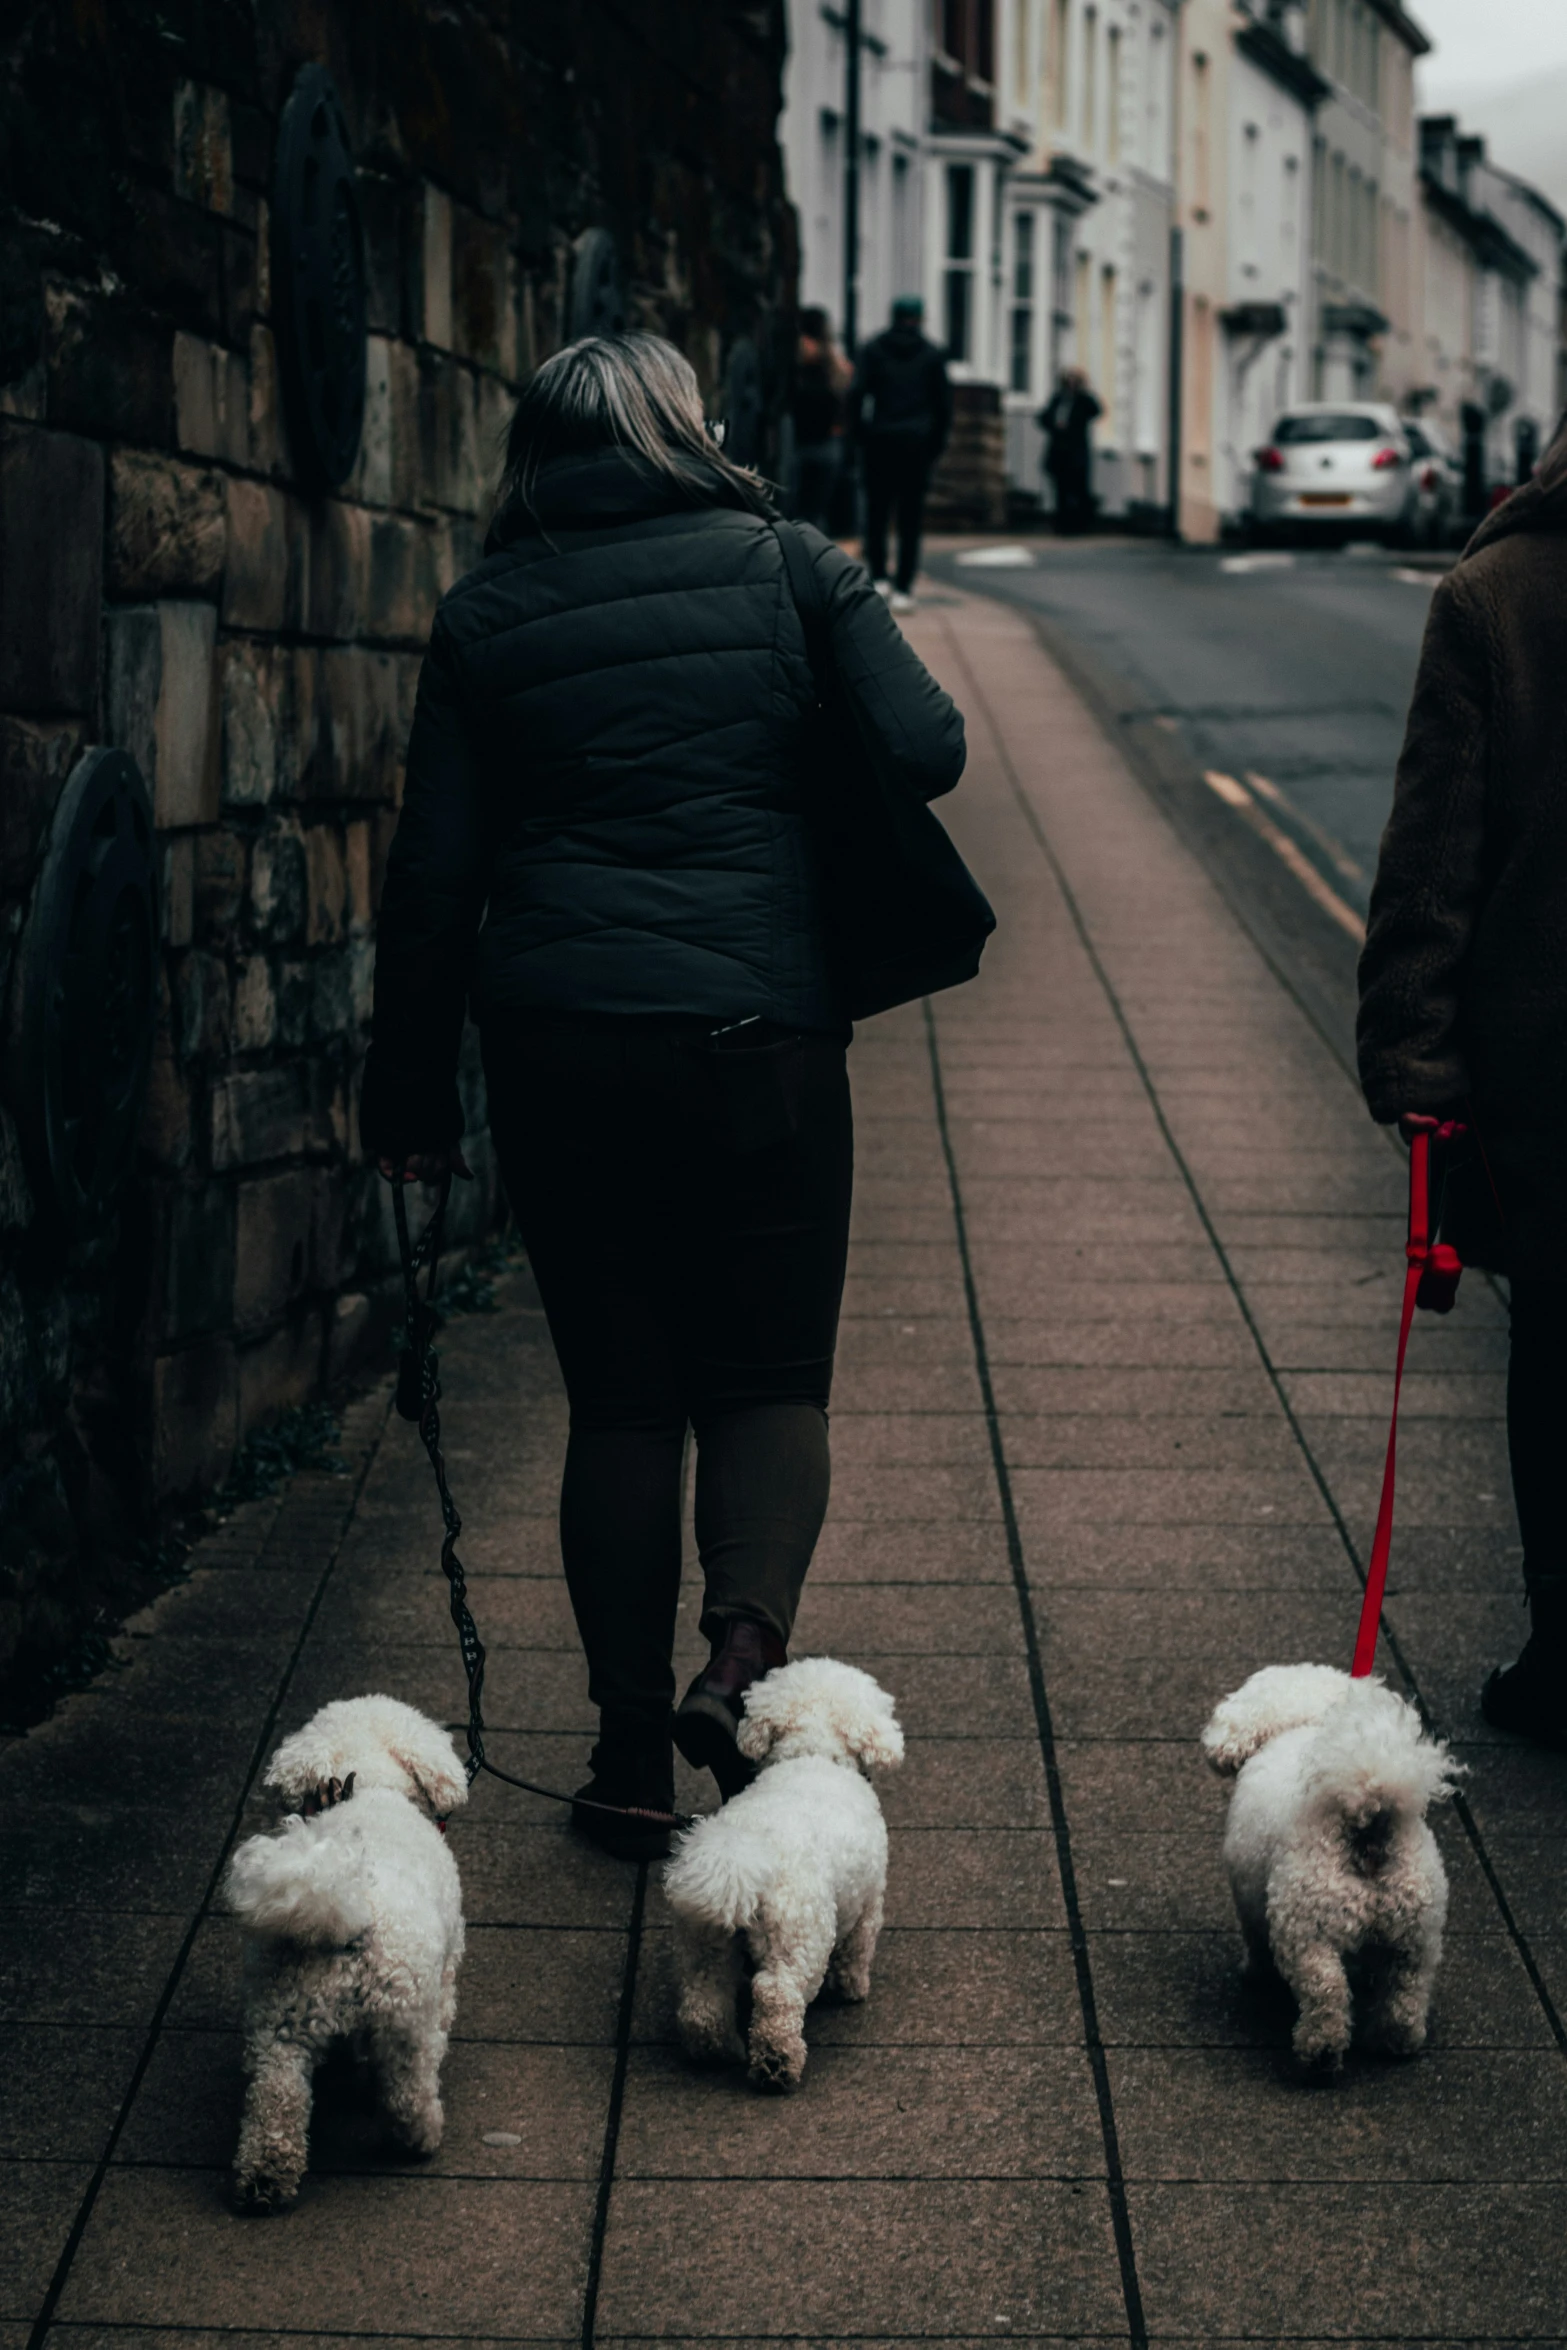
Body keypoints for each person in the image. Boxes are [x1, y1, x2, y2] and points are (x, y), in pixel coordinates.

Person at [361, 332, 967, 1854]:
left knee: (621, 1399)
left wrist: (409, 1095)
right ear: (686, 429)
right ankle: (741, 1659)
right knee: (765, 1381)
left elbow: (429, 882)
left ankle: (629, 1754)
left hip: (557, 1043)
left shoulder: (485, 611)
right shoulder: (788, 562)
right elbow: (930, 748)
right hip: (755, 1033)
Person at [1358, 416, 1567, 1753]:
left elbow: (1433, 859)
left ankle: (1565, 1651)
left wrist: (1415, 1066)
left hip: (1546, 1070)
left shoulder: (1496, 593)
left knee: (1555, 1354)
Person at [848, 295, 952, 610]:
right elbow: (943, 408)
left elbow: (856, 396)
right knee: (911, 520)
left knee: (876, 515)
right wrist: (934, 447)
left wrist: (862, 437)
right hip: (916, 445)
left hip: (880, 441)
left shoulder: (873, 349)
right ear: (920, 319)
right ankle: (904, 587)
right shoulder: (932, 355)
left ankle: (878, 577)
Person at [790, 306, 852, 532]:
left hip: (808, 442)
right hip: (820, 442)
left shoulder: (825, 363)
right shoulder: (834, 363)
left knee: (803, 509)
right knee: (812, 512)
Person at [1038, 369, 1101, 534]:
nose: (1071, 385)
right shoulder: (1058, 399)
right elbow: (1044, 418)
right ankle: (1062, 524)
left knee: (1079, 489)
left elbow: (1096, 410)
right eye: (1068, 381)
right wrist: (1056, 425)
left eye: (1074, 382)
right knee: (1061, 489)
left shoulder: (1083, 400)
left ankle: (1080, 524)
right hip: (1059, 451)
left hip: (1076, 451)